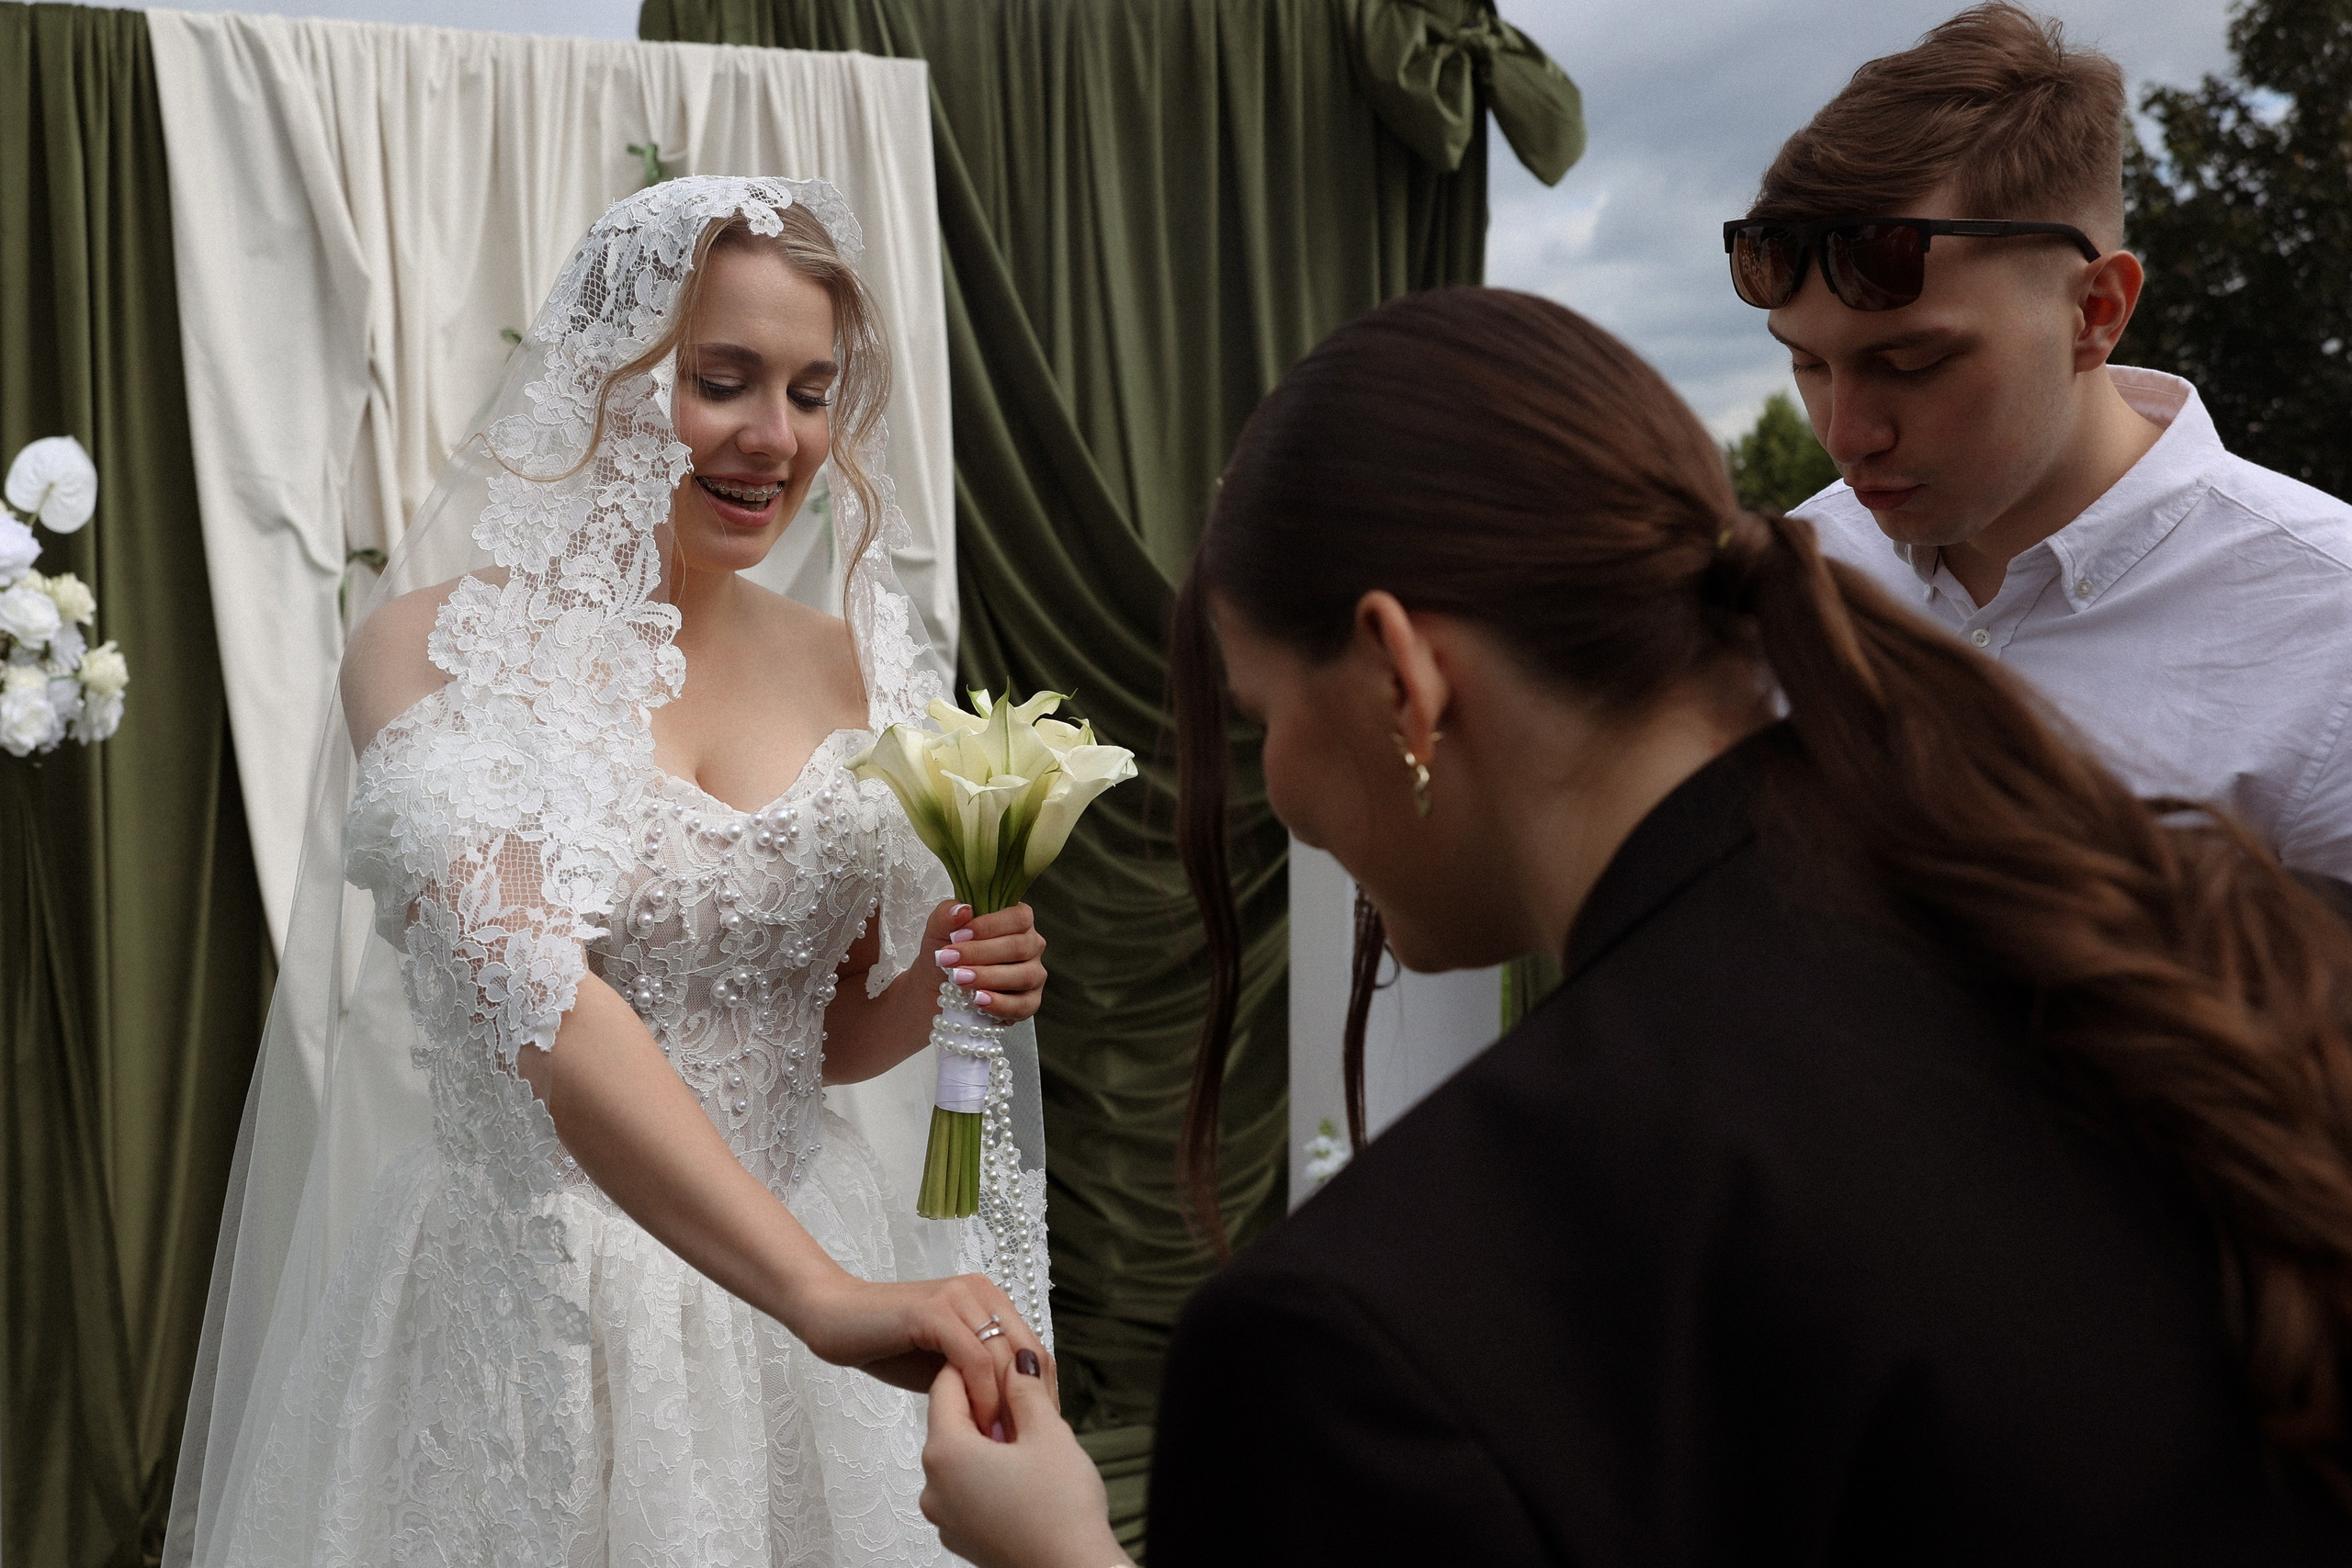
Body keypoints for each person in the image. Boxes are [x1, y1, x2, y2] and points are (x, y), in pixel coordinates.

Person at [913, 287, 2352, 1564]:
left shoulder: (1366, 1337)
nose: (1278, 782)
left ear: (1405, 676)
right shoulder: (2130, 947)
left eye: (1260, 713)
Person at [166, 177, 1054, 1567]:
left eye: (812, 392)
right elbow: (546, 1001)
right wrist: (822, 1296)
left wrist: (952, 969)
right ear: (607, 376)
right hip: (540, 1302)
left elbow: (814, 1034)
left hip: (806, 1302)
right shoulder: (431, 655)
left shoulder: (856, 671)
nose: (775, 438)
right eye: (722, 381)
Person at [1729, 4, 2352, 879]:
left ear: (2097, 311)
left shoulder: (2330, 629)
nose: (1846, 434)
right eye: (1808, 365)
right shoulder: (1783, 592)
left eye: (1912, 362)